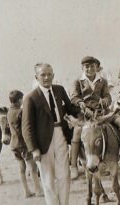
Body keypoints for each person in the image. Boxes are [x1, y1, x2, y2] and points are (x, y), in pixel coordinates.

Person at [22, 63, 76, 205]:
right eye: (43, 75)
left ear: (53, 75)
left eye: (49, 74)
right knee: (47, 179)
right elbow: (27, 127)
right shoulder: (31, 97)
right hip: (42, 142)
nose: (47, 77)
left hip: (61, 135)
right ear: (36, 77)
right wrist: (34, 149)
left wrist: (84, 109)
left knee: (64, 175)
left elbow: (71, 109)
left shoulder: (59, 90)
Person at [70, 56, 120, 170]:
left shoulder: (102, 81)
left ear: (96, 67)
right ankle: (74, 164)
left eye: (92, 66)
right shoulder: (77, 81)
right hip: (85, 115)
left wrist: (105, 101)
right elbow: (74, 97)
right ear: (82, 68)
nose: (90, 69)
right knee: (77, 131)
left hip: (102, 113)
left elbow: (107, 96)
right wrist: (81, 103)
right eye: (87, 67)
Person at [7, 90, 43, 198]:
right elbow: (27, 126)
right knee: (33, 168)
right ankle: (38, 190)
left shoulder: (9, 112)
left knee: (22, 168)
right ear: (18, 100)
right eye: (22, 99)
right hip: (23, 144)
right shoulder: (20, 112)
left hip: (14, 144)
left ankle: (26, 191)